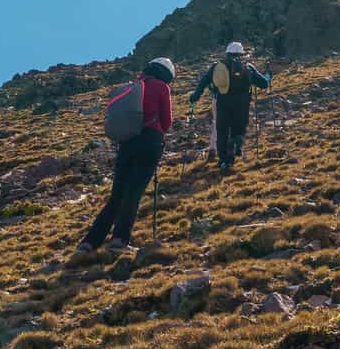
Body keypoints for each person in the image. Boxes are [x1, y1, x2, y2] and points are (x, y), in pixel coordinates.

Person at [80, 58, 175, 254]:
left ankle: (89, 242)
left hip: (126, 142)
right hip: (150, 141)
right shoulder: (161, 87)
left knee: (116, 195)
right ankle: (119, 240)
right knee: (134, 192)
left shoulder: (132, 86)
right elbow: (166, 121)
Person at [191, 41, 271, 171]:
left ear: (227, 53)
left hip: (223, 103)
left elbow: (204, 81)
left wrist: (195, 97)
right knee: (238, 130)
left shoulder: (218, 66)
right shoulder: (248, 67)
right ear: (241, 53)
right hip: (242, 105)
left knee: (222, 131)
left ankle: (223, 161)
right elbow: (264, 84)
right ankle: (236, 148)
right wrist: (267, 77)